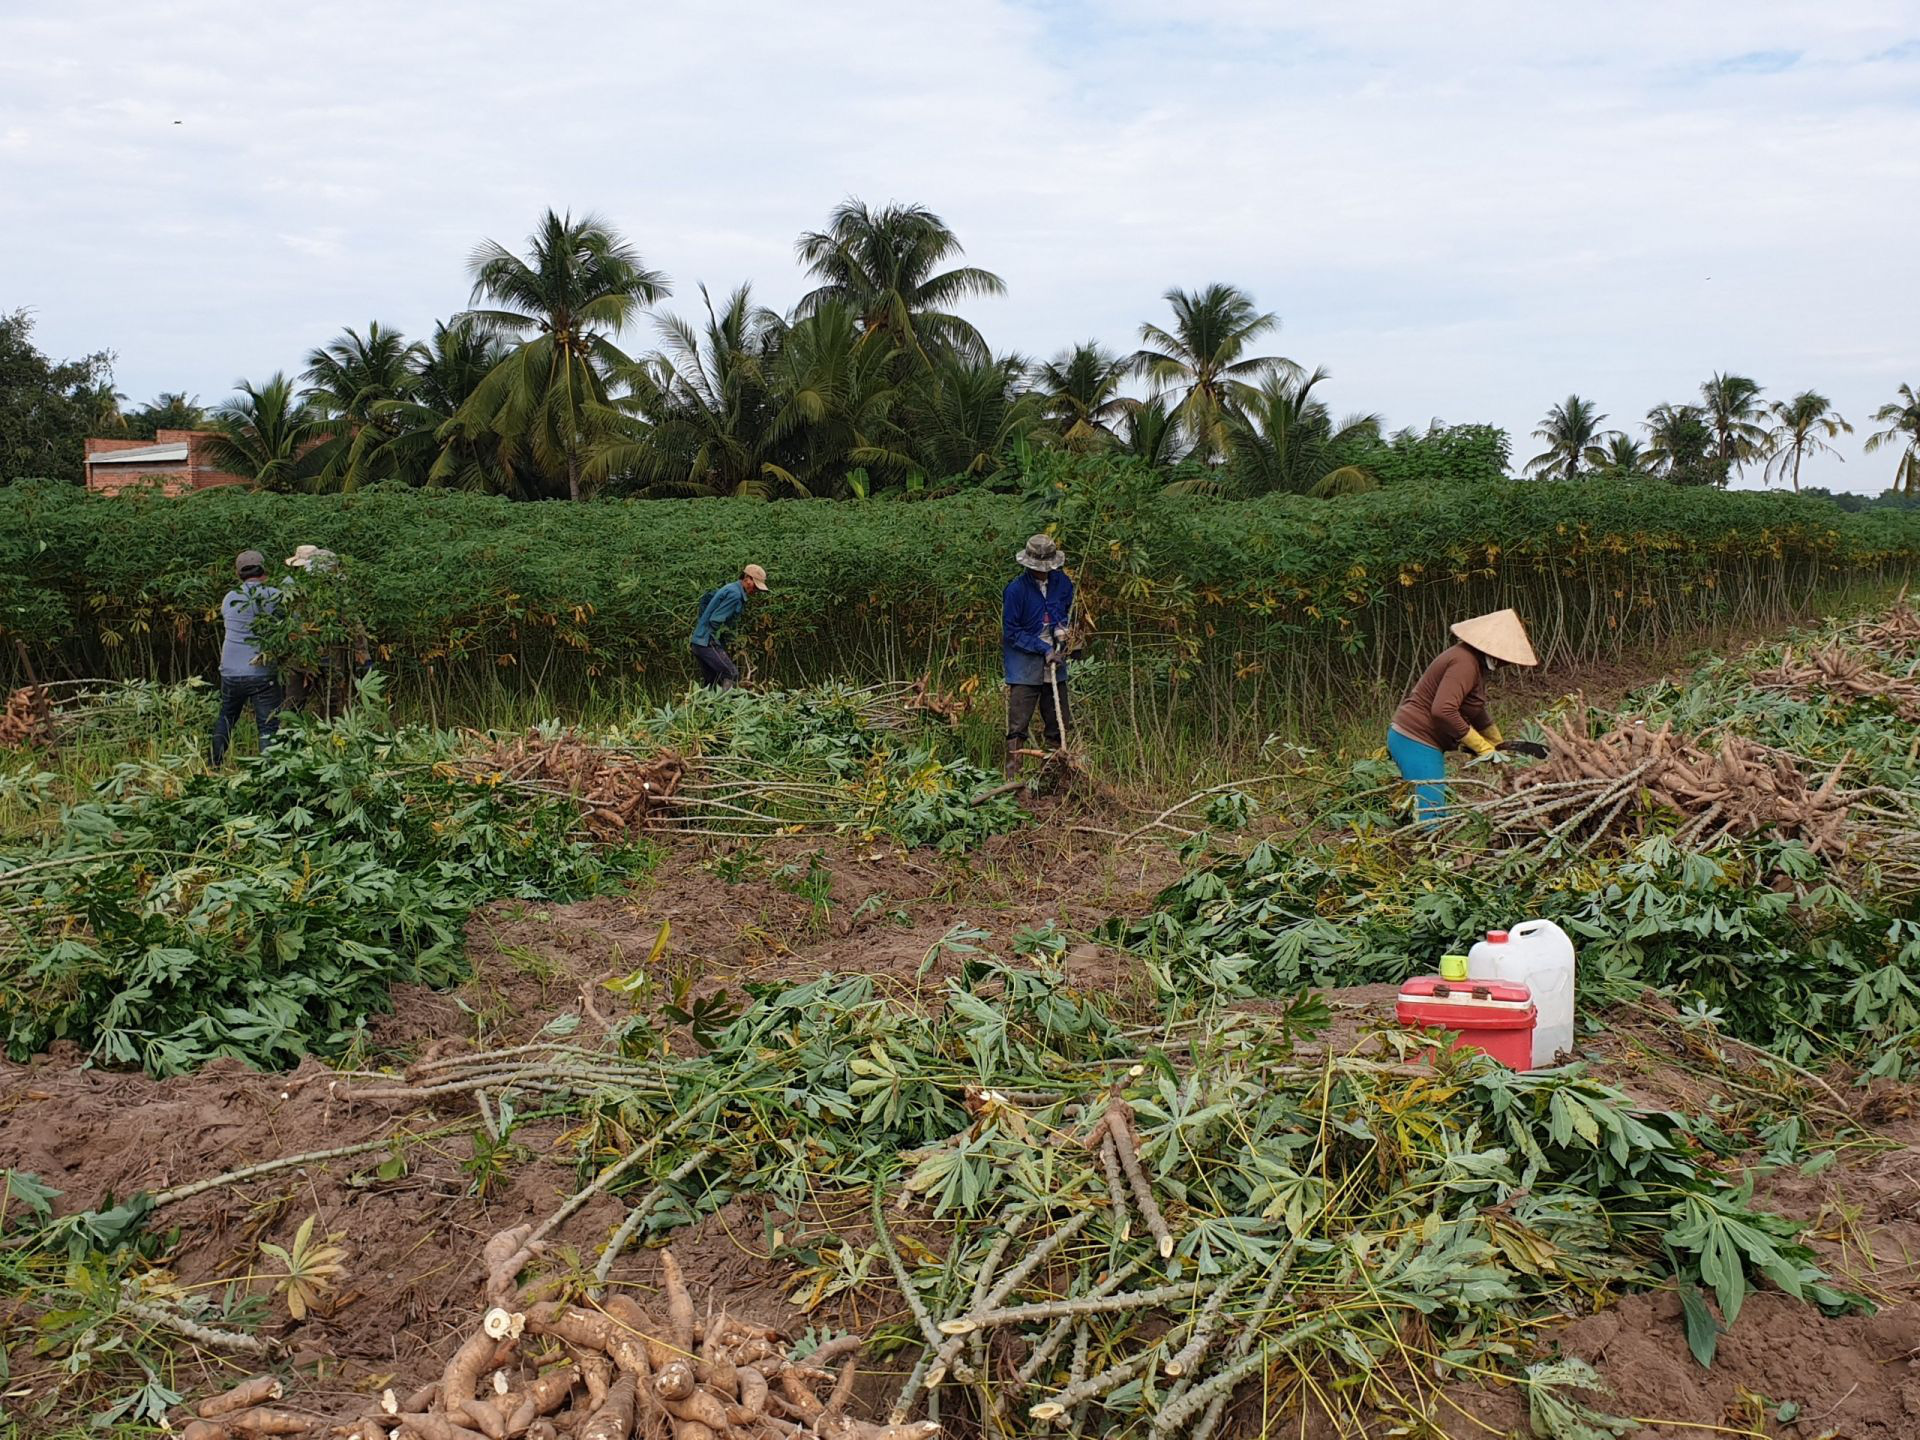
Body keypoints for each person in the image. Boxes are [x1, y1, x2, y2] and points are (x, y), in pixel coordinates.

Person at [1389, 608, 1547, 824]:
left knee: (1423, 806)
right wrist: (1481, 746)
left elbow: (1473, 706)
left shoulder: (1473, 663)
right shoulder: (1464, 662)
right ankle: (1428, 851)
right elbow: (1443, 711)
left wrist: (1496, 740)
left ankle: (1406, 837)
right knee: (1433, 815)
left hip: (1420, 738)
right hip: (1416, 738)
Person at [1002, 533, 1075, 779]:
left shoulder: (1063, 583)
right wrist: (1043, 649)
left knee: (1059, 722)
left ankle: (1056, 777)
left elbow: (1064, 611)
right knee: (1018, 725)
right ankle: (1013, 780)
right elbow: (1012, 632)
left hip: (1057, 658)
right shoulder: (1015, 591)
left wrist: (1062, 631)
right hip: (1024, 662)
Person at [211, 549, 284, 764]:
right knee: (267, 725)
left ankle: (214, 765)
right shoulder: (273, 595)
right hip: (260, 671)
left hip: (230, 670)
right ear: (264, 570)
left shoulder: (229, 598)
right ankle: (268, 772)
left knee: (226, 718)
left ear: (238, 573)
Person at [690, 563, 769, 689]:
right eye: (755, 585)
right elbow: (716, 620)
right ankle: (724, 706)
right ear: (747, 578)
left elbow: (706, 599)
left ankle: (707, 705)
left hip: (698, 641)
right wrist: (717, 640)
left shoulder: (731, 588)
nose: (756, 590)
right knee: (731, 673)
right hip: (706, 642)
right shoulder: (735, 594)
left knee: (712, 682)